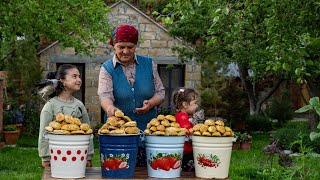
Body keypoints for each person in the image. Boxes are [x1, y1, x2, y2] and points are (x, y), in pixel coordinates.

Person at [97, 24, 165, 166]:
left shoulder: (149, 63)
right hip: (118, 134)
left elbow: (160, 92)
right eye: (121, 47)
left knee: (146, 173)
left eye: (130, 47)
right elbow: (105, 96)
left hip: (147, 132)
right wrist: (110, 109)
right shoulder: (107, 68)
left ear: (135, 46)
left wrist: (151, 103)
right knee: (119, 170)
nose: (126, 51)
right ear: (114, 45)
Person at [38, 64, 94, 168]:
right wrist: (45, 157)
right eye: (74, 76)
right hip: (58, 157)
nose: (79, 79)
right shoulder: (51, 106)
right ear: (62, 81)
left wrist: (89, 156)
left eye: (79, 76)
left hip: (78, 155)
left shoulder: (79, 105)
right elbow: (44, 134)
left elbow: (88, 133)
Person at [173, 88, 199, 172]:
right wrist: (196, 128)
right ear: (185, 104)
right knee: (189, 171)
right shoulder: (183, 116)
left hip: (181, 150)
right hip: (186, 151)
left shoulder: (179, 115)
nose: (197, 106)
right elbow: (188, 131)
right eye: (195, 103)